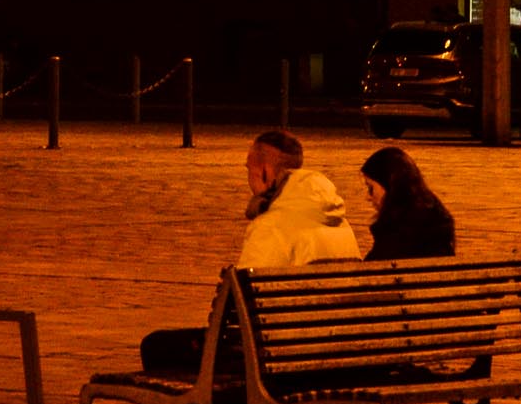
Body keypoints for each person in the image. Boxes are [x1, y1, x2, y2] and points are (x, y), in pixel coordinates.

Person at [137, 130, 363, 376]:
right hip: (337, 347)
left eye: (249, 170)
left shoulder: (272, 224)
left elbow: (242, 309)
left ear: (264, 172)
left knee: (157, 345)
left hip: (281, 354)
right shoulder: (339, 220)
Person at [360, 145, 456, 261]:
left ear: (390, 187)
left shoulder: (394, 238)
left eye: (371, 188)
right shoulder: (438, 225)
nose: (368, 197)